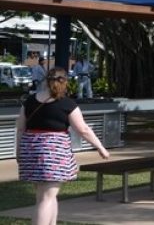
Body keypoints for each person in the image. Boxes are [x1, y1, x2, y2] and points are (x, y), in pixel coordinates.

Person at [17, 68, 109, 225]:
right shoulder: (67, 104)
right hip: (53, 153)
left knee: (44, 196)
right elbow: (83, 130)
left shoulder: (29, 101)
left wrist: (18, 152)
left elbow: (20, 128)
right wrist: (100, 147)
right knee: (47, 198)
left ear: (46, 81)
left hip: (30, 150)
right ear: (65, 82)